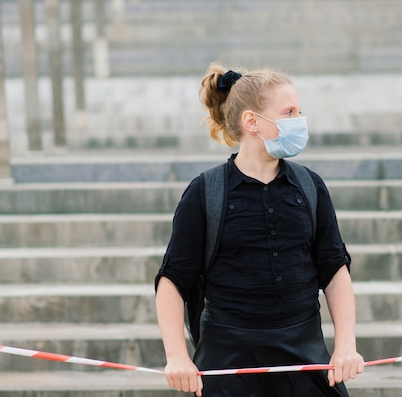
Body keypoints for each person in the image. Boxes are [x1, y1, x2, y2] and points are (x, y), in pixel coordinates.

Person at [155, 63, 364, 397]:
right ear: (251, 121)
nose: (299, 120)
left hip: (304, 353)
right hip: (227, 359)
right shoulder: (204, 192)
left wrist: (345, 346)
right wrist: (177, 356)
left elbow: (335, 270)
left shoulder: (311, 186)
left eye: (300, 111)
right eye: (288, 112)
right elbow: (173, 280)